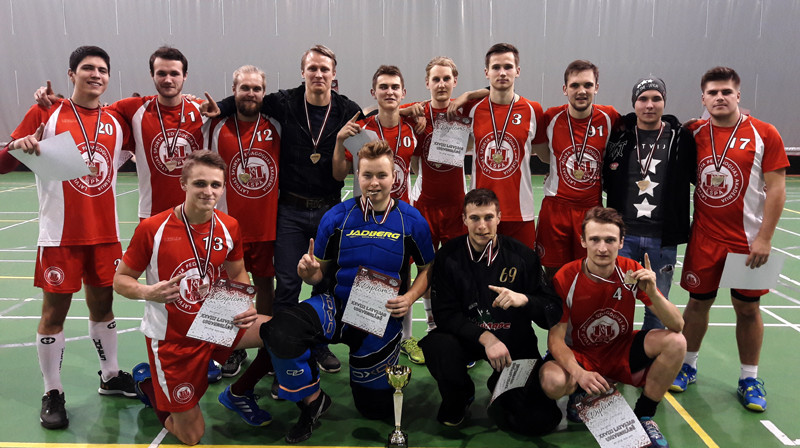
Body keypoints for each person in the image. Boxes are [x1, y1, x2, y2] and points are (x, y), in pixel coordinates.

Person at [262, 140, 435, 444]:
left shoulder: (412, 221)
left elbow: (427, 270)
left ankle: (367, 379)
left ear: (393, 177)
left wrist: (409, 298)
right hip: (337, 309)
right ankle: (312, 401)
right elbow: (320, 271)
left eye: (381, 175)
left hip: (378, 319)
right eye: (367, 175)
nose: (374, 183)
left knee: (374, 409)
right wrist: (309, 271)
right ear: (357, 175)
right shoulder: (337, 217)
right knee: (280, 330)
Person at [0, 45, 136, 430]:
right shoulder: (46, 112)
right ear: (71, 74)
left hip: (105, 234)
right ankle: (53, 390)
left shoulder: (115, 121)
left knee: (104, 309)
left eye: (103, 69)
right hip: (59, 234)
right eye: (88, 68)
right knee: (53, 314)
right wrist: (18, 146)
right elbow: (4, 164)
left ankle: (110, 375)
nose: (96, 74)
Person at [204, 45, 362, 374]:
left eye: (325, 69)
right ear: (302, 73)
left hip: (329, 211)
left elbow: (356, 160)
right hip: (289, 209)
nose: (318, 74)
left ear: (334, 75)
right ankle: (282, 349)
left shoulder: (350, 111)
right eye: (312, 69)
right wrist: (219, 107)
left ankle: (317, 344)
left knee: (325, 283)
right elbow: (247, 98)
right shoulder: (284, 101)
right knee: (287, 284)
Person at [114, 150, 272, 444]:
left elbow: (237, 272)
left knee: (281, 331)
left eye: (215, 184)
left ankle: (239, 393)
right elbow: (120, 280)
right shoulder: (153, 229)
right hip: (173, 341)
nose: (208, 191)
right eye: (200, 183)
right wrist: (149, 291)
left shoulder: (229, 226)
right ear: (183, 184)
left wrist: (245, 303)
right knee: (192, 436)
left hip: (216, 323)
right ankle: (149, 383)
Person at [672, 67, 788, 412]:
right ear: (703, 98)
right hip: (704, 240)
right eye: (712, 92)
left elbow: (777, 188)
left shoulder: (764, 133)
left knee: (748, 309)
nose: (719, 97)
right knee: (697, 305)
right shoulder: (693, 133)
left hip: (747, 241)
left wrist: (765, 238)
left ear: (738, 95)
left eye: (726, 92)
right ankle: (687, 366)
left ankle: (749, 377)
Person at [419, 189, 563, 434]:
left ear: (499, 217)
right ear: (464, 220)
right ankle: (460, 396)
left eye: (488, 217)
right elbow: (444, 316)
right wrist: (486, 338)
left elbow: (551, 310)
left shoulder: (523, 256)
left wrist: (525, 299)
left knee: (538, 422)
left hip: (513, 344)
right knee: (438, 346)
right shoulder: (448, 256)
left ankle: (502, 385)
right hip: (469, 339)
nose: (482, 226)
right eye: (474, 218)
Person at [540, 206, 686, 448]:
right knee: (552, 382)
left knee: (676, 342)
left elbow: (677, 325)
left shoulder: (631, 271)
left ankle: (644, 416)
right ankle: (581, 391)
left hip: (620, 351)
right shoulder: (567, 277)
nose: (602, 248)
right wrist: (579, 373)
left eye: (610, 240)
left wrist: (653, 293)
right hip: (580, 354)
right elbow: (555, 340)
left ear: (621, 242)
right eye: (595, 239)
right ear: (583, 241)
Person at [203, 64, 282, 419]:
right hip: (227, 226)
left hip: (266, 224)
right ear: (233, 90)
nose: (250, 94)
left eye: (256, 88)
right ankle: (229, 348)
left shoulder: (276, 124)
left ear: (264, 92)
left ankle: (266, 345)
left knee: (266, 285)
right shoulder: (215, 124)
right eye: (244, 88)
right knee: (226, 290)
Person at [332, 65, 421, 363]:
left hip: (400, 216)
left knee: (403, 275)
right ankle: (363, 331)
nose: (390, 92)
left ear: (403, 93)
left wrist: (412, 112)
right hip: (366, 215)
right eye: (383, 87)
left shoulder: (411, 128)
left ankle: (405, 337)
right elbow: (340, 172)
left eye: (395, 87)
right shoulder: (362, 129)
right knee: (366, 270)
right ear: (374, 92)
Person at [604, 77, 696, 331]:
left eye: (656, 98)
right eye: (643, 99)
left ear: (664, 102)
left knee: (657, 306)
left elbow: (702, 173)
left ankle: (648, 364)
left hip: (662, 240)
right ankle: (614, 361)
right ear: (634, 103)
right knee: (615, 304)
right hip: (623, 237)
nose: (649, 105)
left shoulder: (681, 138)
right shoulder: (619, 136)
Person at [451, 43, 546, 249]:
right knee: (481, 274)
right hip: (481, 215)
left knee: (522, 275)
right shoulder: (470, 108)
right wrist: (467, 95)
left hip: (521, 212)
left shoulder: (533, 110)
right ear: (487, 72)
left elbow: (546, 154)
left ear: (517, 71)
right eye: (495, 67)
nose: (502, 73)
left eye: (508, 67)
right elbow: (434, 104)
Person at [536, 60, 620, 279]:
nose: (581, 91)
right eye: (574, 85)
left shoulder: (610, 118)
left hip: (591, 211)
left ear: (596, 88)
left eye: (588, 85)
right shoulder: (551, 117)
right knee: (554, 278)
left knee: (589, 276)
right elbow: (542, 152)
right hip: (556, 209)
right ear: (565, 89)